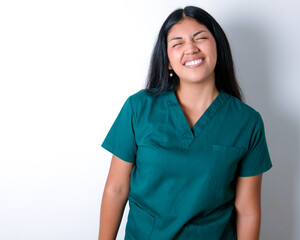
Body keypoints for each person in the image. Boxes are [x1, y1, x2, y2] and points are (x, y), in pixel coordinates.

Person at [98, 6, 272, 240]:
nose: (190, 48)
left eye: (200, 38)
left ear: (218, 47)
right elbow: (116, 189)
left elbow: (248, 211)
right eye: (177, 43)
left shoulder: (247, 122)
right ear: (168, 61)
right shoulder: (138, 108)